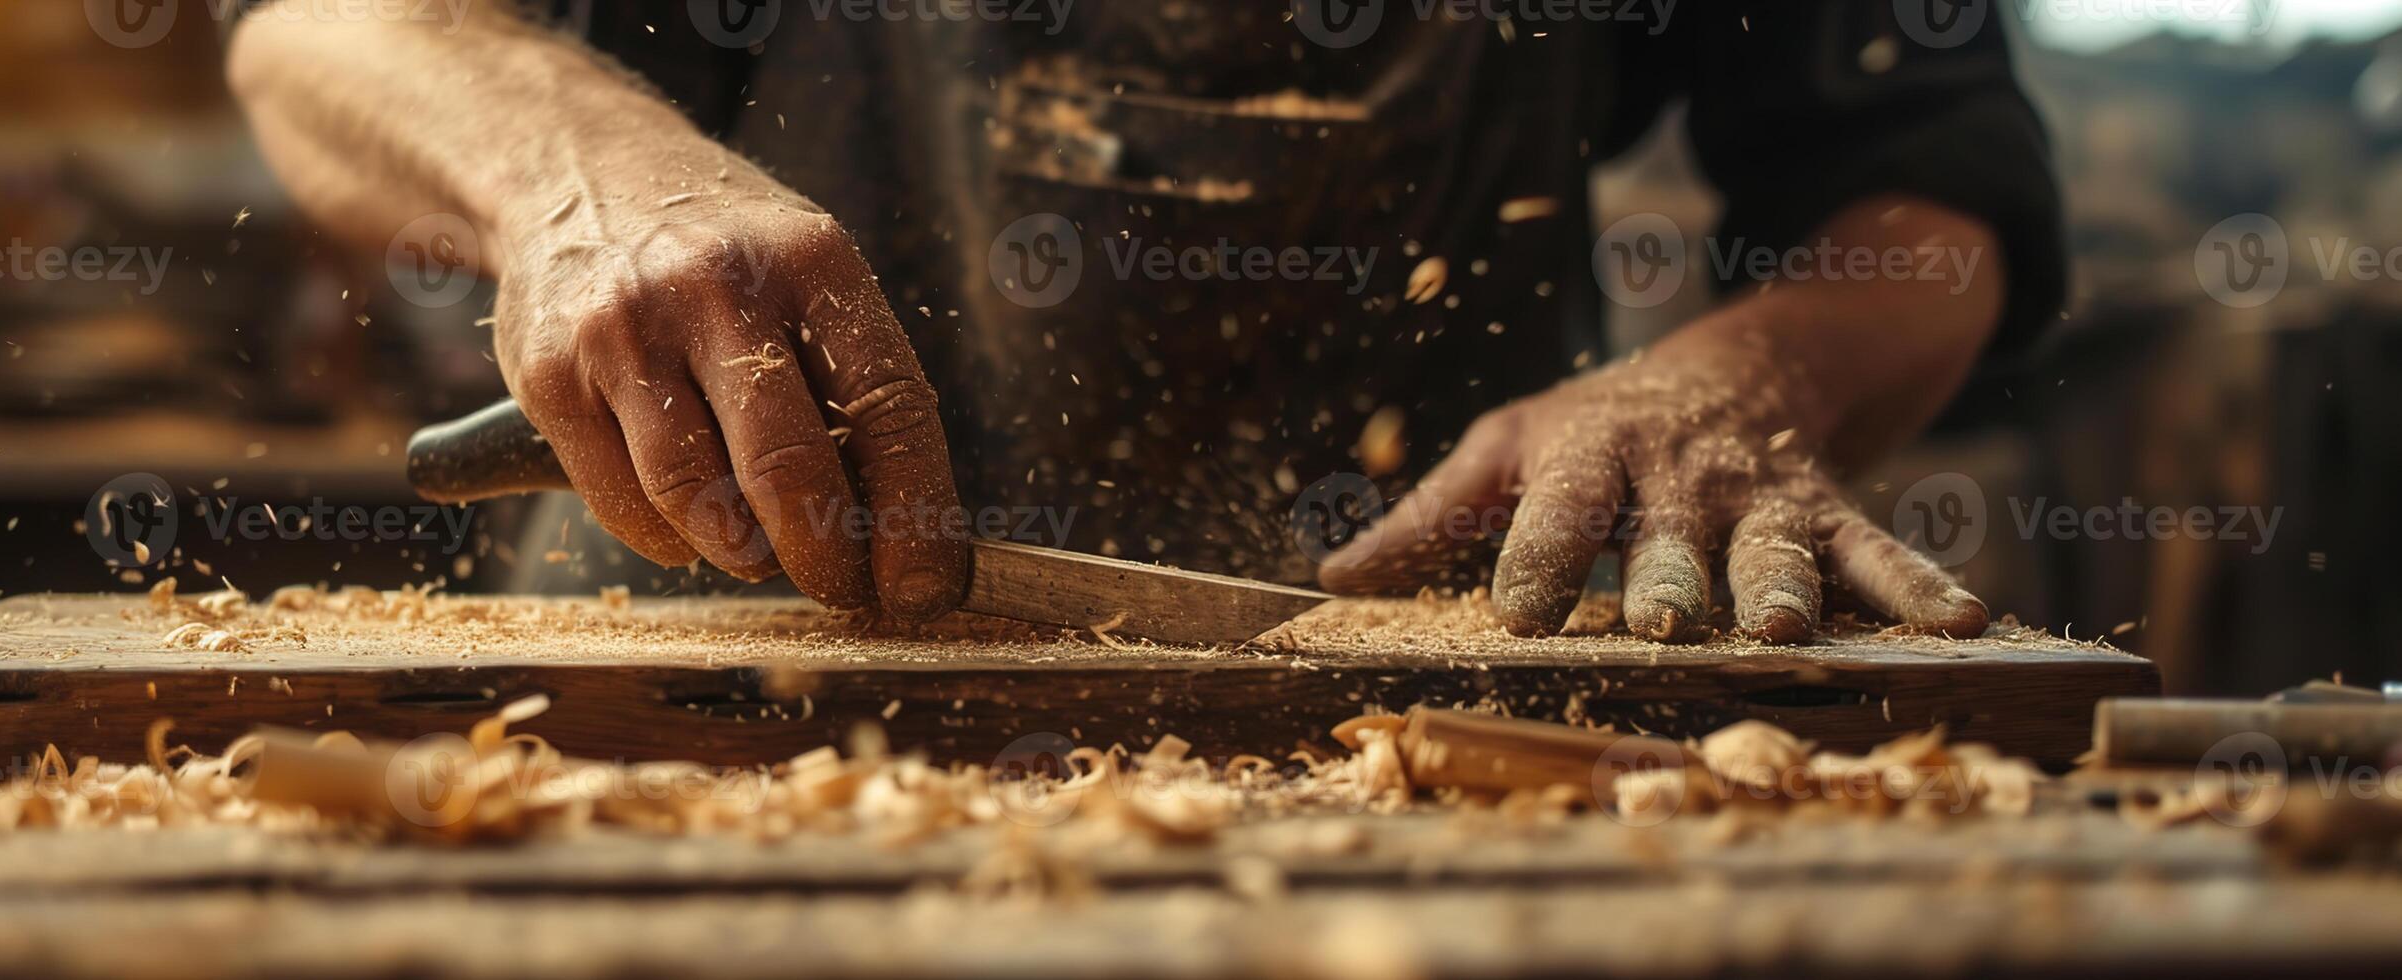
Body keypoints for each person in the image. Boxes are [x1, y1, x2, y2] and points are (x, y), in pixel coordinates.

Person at [227, 0, 2062, 642]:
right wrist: (578, 179)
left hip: (1439, 708)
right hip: (729, 677)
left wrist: (1741, 377)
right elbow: (313, 30)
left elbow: (1923, 179)